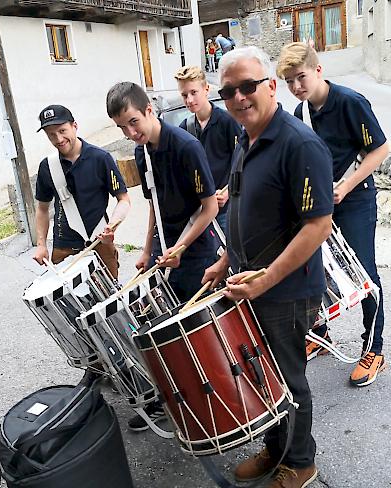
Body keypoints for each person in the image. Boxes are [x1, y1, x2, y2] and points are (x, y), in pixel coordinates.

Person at [202, 46, 333, 488]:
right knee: (264, 375)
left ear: (270, 86)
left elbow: (318, 226)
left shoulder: (299, 143)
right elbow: (243, 211)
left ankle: (300, 462)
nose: (238, 98)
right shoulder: (246, 137)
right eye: (228, 92)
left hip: (287, 288)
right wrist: (224, 261)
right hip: (249, 284)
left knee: (289, 378)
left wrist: (267, 278)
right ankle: (277, 448)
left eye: (247, 87)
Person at [106, 81, 219, 431]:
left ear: (150, 111)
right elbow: (153, 204)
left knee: (198, 333)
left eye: (134, 121)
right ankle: (175, 398)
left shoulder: (187, 146)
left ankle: (213, 400)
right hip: (166, 251)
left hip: (197, 251)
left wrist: (181, 247)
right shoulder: (142, 153)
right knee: (161, 330)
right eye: (122, 127)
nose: (130, 132)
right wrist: (146, 249)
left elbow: (210, 207)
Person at [277, 42, 390, 387]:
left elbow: (381, 149)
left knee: (364, 274)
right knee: (316, 271)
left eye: (301, 77)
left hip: (356, 199)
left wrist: (347, 185)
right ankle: (321, 335)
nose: (297, 87)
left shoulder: (350, 102)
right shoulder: (301, 113)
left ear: (318, 70)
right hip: (320, 204)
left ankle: (374, 350)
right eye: (289, 82)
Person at [33, 104, 130, 278]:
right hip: (63, 247)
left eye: (62, 130)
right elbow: (42, 208)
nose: (59, 139)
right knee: (71, 302)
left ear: (74, 126)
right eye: (51, 135)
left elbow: (123, 199)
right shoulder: (47, 167)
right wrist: (41, 245)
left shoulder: (101, 158)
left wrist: (112, 226)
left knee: (110, 298)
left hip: (100, 240)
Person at [174, 65, 242, 236]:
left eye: (193, 92)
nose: (189, 100)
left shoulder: (228, 122)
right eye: (184, 95)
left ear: (206, 89)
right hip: (200, 211)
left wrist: (228, 191)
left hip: (227, 208)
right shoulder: (184, 128)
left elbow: (243, 162)